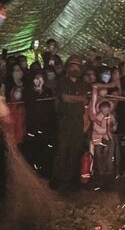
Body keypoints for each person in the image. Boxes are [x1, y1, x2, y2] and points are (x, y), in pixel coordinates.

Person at [51, 56, 88, 191]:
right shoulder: (62, 82)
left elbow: (84, 100)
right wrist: (76, 99)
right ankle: (57, 179)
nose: (75, 68)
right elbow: (64, 98)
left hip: (77, 120)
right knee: (62, 148)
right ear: (68, 67)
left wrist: (73, 99)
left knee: (75, 149)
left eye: (77, 66)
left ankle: (70, 179)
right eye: (73, 66)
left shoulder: (82, 84)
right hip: (64, 120)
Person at [23, 69, 56, 178]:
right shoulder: (28, 91)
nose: (38, 80)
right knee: (33, 148)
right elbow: (28, 105)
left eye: (40, 78)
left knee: (45, 149)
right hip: (33, 125)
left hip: (46, 126)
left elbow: (51, 108)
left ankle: (44, 171)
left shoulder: (48, 91)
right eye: (36, 78)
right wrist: (36, 92)